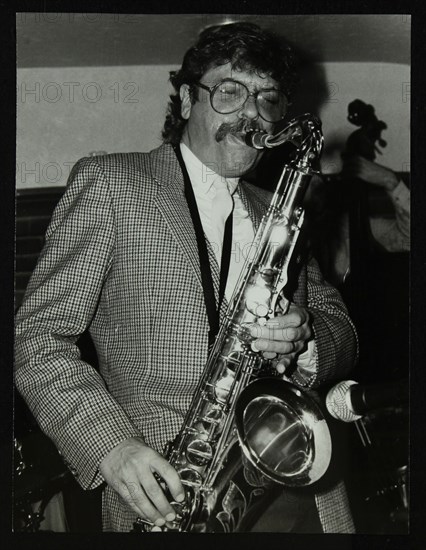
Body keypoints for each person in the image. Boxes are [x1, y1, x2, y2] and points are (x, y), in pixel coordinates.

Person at [15, 22, 358, 533]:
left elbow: (343, 329)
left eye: (267, 98)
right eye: (229, 91)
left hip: (298, 480)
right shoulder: (113, 183)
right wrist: (110, 447)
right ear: (184, 101)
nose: (250, 112)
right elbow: (36, 340)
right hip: (171, 494)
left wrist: (304, 337)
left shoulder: (281, 210)